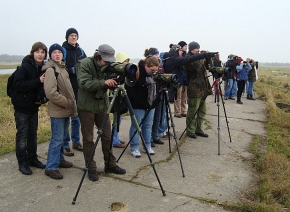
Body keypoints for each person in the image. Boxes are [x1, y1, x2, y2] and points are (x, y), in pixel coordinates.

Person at [76, 44, 126, 181]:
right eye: (106, 61)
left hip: (102, 105)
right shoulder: (84, 64)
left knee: (107, 136)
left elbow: (111, 78)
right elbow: (84, 83)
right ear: (98, 57)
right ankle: (91, 167)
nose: (108, 63)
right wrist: (104, 82)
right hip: (86, 106)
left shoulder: (108, 65)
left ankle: (110, 164)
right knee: (88, 138)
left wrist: (116, 79)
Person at [11, 42, 47, 175]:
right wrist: (38, 81)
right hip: (21, 108)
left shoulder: (42, 68)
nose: (40, 54)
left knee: (32, 135)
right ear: (33, 53)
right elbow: (18, 85)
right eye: (38, 52)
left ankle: (33, 158)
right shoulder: (25, 67)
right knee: (22, 135)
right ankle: (22, 162)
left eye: (43, 52)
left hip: (33, 107)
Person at [43, 43, 77, 179]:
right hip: (58, 110)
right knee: (57, 139)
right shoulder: (51, 70)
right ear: (50, 55)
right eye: (54, 52)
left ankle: (60, 159)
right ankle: (51, 166)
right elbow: (50, 93)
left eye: (60, 52)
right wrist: (67, 103)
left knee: (62, 138)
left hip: (65, 110)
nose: (57, 54)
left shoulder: (62, 68)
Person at [126, 56, 159, 158]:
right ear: (146, 65)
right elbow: (129, 90)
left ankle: (147, 146)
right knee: (136, 126)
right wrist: (138, 101)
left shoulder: (154, 75)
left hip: (150, 104)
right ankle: (134, 147)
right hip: (137, 105)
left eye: (155, 70)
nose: (153, 72)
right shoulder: (136, 72)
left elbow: (157, 89)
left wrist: (154, 102)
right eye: (151, 69)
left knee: (148, 125)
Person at [62, 28, 86, 156]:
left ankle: (76, 142)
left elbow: (86, 64)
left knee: (76, 118)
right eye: (71, 35)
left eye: (75, 35)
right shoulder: (63, 50)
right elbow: (60, 67)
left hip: (78, 88)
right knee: (66, 117)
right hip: (66, 88)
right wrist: (73, 70)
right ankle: (65, 144)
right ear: (67, 37)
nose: (73, 37)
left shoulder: (81, 50)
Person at [183, 41, 213, 139]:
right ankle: (190, 130)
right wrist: (202, 56)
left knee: (202, 111)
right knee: (193, 110)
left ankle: (199, 129)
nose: (199, 50)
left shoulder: (199, 57)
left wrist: (208, 57)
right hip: (194, 88)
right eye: (197, 48)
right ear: (192, 49)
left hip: (203, 88)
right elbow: (196, 67)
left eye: (199, 48)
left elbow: (209, 66)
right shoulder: (188, 58)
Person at [111, 52, 130, 148]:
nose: (126, 63)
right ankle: (114, 140)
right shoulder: (115, 73)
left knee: (118, 120)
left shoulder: (122, 73)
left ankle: (116, 138)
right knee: (116, 121)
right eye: (124, 61)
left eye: (127, 61)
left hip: (120, 98)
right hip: (115, 98)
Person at [174, 41, 189, 118]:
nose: (186, 47)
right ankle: (177, 111)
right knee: (178, 96)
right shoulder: (177, 57)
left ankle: (184, 111)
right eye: (185, 46)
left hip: (185, 79)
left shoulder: (186, 56)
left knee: (184, 97)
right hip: (179, 78)